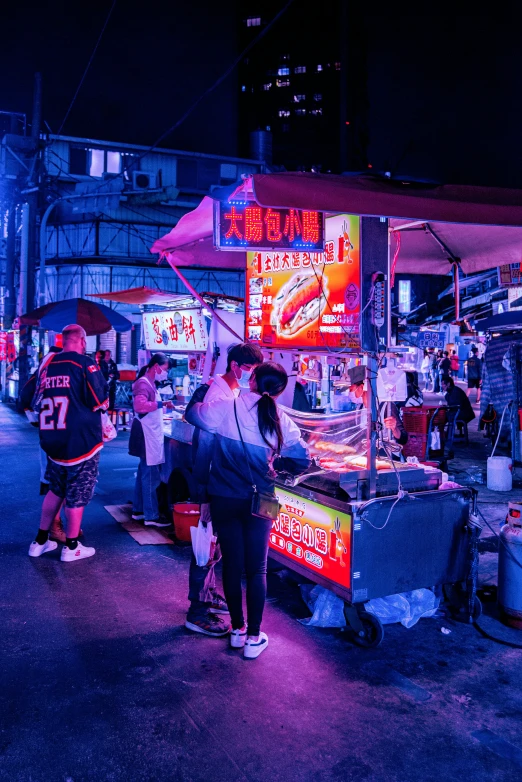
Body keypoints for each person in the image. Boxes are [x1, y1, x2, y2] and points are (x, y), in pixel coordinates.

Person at [186, 362, 310, 659]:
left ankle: (238, 631)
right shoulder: (280, 418)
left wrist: (201, 390)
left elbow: (192, 414)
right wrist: (274, 465)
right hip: (260, 500)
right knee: (257, 569)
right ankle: (255, 637)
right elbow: (302, 460)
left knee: (232, 565)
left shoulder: (225, 406)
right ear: (280, 391)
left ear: (251, 379)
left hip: (224, 497)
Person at [184, 342, 264, 637]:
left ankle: (207, 594)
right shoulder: (220, 394)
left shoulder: (228, 393)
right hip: (214, 484)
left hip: (220, 483)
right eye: (252, 370)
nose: (254, 376)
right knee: (205, 545)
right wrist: (203, 491)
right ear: (236, 367)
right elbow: (204, 445)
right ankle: (197, 611)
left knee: (215, 544)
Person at [28, 324, 109, 562]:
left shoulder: (47, 364)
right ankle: (72, 547)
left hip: (54, 442)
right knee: (77, 492)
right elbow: (100, 398)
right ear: (82, 341)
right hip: (80, 442)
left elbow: (27, 398)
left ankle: (40, 541)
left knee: (56, 489)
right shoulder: (84, 363)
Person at [129, 353, 174, 527]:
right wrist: (162, 404)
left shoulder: (149, 383)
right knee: (150, 476)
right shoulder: (143, 383)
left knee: (143, 473)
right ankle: (152, 516)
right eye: (164, 369)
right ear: (156, 367)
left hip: (150, 434)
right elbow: (139, 406)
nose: (165, 373)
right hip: (146, 435)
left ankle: (139, 510)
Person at [348, 368, 408, 447]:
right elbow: (358, 435)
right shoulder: (360, 408)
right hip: (367, 453)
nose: (350, 392)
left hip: (387, 454)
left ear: (362, 388)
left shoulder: (386, 406)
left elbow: (404, 439)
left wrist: (394, 429)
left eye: (351, 389)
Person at [441, 375, 475, 458]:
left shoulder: (456, 392)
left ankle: (445, 437)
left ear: (448, 384)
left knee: (443, 416)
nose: (442, 386)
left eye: (443, 384)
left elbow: (456, 406)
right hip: (459, 411)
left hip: (464, 413)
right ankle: (445, 435)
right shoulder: (450, 393)